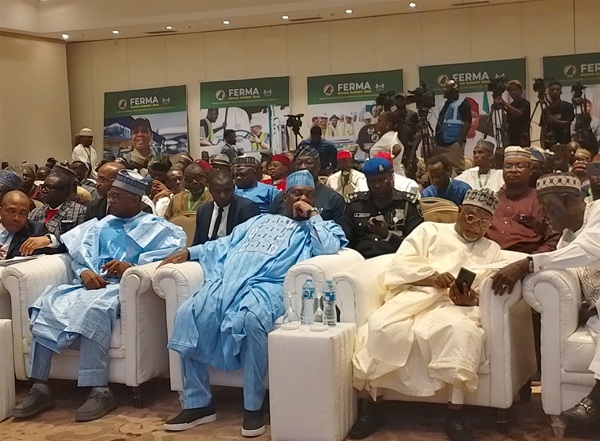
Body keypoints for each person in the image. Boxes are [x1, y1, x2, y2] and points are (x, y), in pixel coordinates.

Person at [160, 170, 347, 436]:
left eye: (309, 195)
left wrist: (313, 215)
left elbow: (328, 248)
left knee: (251, 319)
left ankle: (253, 406)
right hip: (229, 280)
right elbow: (223, 244)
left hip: (269, 285)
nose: (302, 199)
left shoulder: (317, 228)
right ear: (284, 197)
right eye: (297, 194)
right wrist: (190, 251)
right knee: (189, 313)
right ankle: (198, 403)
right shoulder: (259, 220)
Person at [12, 170, 186, 422]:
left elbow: (166, 259)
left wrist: (130, 267)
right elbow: (77, 257)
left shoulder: (159, 229)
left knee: (96, 310)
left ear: (135, 199)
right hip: (87, 285)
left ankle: (99, 390)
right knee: (48, 304)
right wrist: (83, 272)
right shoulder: (99, 225)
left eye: (116, 196)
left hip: (120, 289)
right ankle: (39, 386)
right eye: (110, 195)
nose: (110, 200)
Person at [350, 188, 503, 441]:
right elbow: (401, 264)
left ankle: (455, 413)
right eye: (471, 217)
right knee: (382, 326)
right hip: (416, 296)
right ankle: (373, 407)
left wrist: (471, 299)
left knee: (460, 332)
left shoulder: (492, 249)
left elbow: (487, 287)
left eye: (484, 222)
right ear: (459, 212)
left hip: (455, 307)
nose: (476, 227)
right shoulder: (429, 230)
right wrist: (432, 277)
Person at [491, 173, 600, 428]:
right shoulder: (567, 236)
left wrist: (529, 263)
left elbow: (587, 250)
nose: (543, 216)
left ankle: (595, 400)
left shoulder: (598, 213)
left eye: (547, 207)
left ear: (567, 200)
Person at [485, 146, 559, 254]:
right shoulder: (492, 199)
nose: (513, 170)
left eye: (520, 166)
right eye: (508, 166)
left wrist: (531, 260)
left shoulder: (541, 201)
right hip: (488, 255)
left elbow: (553, 239)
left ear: (530, 171)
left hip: (525, 257)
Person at [344, 158, 422, 258]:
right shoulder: (355, 205)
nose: (377, 185)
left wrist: (387, 235)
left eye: (381, 180)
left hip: (397, 258)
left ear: (391, 175)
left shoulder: (407, 204)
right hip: (363, 260)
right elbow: (347, 242)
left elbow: (416, 244)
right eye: (372, 181)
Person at [270, 146, 346, 229]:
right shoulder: (281, 197)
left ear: (318, 166)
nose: (303, 167)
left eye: (308, 163)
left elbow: (338, 233)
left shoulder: (333, 199)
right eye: (299, 163)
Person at [192, 170, 260, 245]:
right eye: (217, 191)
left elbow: (250, 242)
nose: (222, 196)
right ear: (210, 191)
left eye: (227, 190)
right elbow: (197, 243)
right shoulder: (203, 211)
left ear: (233, 188)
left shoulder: (247, 208)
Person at [29, 166, 86, 240]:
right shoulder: (35, 212)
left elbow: (79, 239)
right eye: (43, 187)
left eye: (49, 187)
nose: (43, 191)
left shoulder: (79, 211)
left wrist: (52, 240)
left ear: (64, 191)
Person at [0, 190, 57, 260]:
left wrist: (49, 239)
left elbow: (62, 247)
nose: (16, 218)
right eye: (11, 211)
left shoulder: (36, 230)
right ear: (1, 211)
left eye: (22, 213)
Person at [435, 80, 472, 175]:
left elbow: (467, 122)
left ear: (454, 90)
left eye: (447, 88)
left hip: (453, 143)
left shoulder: (463, 103)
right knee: (442, 171)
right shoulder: (443, 104)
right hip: (441, 143)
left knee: (457, 170)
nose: (444, 90)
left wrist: (459, 141)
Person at [494, 80, 531, 146]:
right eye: (511, 90)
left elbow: (518, 113)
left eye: (516, 89)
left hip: (522, 140)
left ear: (521, 91)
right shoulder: (511, 105)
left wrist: (504, 103)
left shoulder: (525, 103)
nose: (513, 92)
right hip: (511, 139)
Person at [369, 111, 405, 176]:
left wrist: (385, 162)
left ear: (388, 124)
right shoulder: (391, 135)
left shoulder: (389, 136)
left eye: (380, 121)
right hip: (393, 175)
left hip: (393, 176)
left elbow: (397, 149)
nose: (377, 123)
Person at [540, 82, 575, 148]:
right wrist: (542, 146)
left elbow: (569, 123)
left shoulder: (567, 107)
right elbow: (543, 129)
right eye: (552, 90)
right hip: (550, 145)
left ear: (560, 92)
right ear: (549, 92)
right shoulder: (545, 110)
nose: (555, 92)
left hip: (565, 144)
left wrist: (555, 121)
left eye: (557, 90)